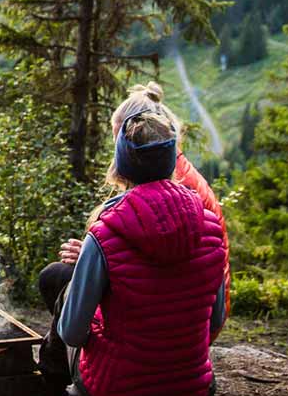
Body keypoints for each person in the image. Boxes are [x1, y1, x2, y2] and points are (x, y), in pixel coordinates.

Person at [39, 103, 229, 396]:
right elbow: (214, 320)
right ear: (172, 161)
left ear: (122, 166)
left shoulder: (105, 233)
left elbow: (72, 333)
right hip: (191, 391)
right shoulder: (209, 226)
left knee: (64, 299)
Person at [46, 83, 225, 283]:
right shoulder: (168, 170)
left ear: (139, 133)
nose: (116, 152)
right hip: (199, 292)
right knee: (57, 274)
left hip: (185, 292)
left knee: (55, 278)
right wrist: (95, 253)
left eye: (119, 141)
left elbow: (164, 258)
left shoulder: (179, 182)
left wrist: (97, 257)